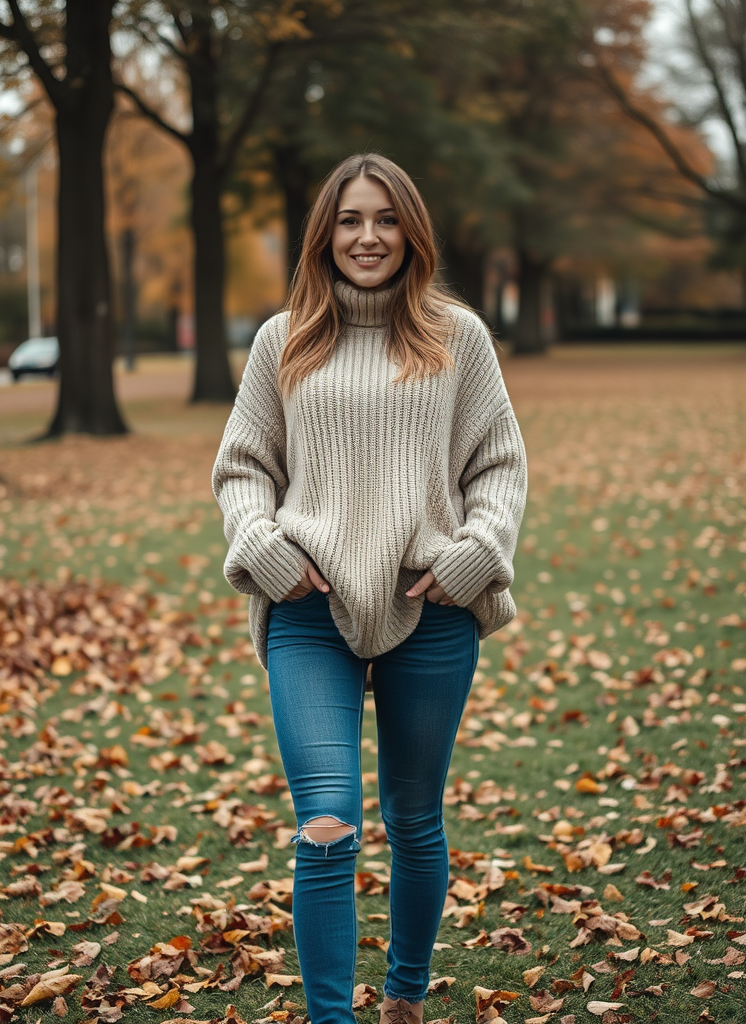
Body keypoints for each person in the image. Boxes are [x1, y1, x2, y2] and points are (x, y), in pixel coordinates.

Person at [212, 153, 527, 1024]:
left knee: (415, 815)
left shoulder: (457, 337)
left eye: (385, 219)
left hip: (431, 609)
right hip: (308, 611)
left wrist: (473, 556)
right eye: (350, 220)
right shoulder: (284, 339)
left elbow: (499, 467)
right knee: (326, 820)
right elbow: (243, 468)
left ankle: (404, 995)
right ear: (325, 233)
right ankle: (331, 1017)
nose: (367, 236)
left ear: (411, 232)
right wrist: (265, 548)